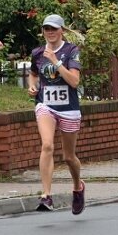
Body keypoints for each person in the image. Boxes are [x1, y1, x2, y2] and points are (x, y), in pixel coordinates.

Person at [27, 14, 86, 215]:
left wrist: (56, 62)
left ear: (62, 30)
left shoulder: (71, 51)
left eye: (53, 29)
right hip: (46, 105)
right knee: (47, 145)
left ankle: (78, 187)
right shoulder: (37, 52)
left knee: (69, 157)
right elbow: (33, 73)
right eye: (46, 29)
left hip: (68, 108)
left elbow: (74, 82)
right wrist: (32, 86)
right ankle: (46, 195)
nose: (50, 33)